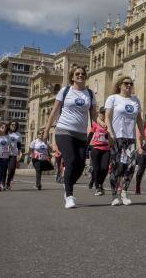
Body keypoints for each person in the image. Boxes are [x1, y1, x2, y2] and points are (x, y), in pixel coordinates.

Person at [44, 65, 97, 209]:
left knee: (80, 165)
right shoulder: (65, 91)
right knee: (71, 160)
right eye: (77, 74)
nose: (80, 75)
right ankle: (69, 195)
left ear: (86, 77)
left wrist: (102, 124)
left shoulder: (90, 94)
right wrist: (47, 129)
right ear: (72, 77)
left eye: (83, 74)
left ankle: (67, 185)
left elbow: (93, 115)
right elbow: (54, 111)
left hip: (81, 134)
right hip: (64, 131)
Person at [105, 75, 143, 206]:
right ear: (120, 85)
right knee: (116, 166)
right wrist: (110, 133)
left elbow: (139, 120)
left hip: (130, 138)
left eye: (131, 83)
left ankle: (124, 192)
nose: (128, 85)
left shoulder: (135, 100)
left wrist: (142, 136)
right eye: (126, 83)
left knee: (131, 166)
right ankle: (114, 195)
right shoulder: (113, 98)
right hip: (117, 137)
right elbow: (107, 117)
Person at [88, 107, 111, 196]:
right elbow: (90, 135)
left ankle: (100, 183)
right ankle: (98, 187)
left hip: (106, 148)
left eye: (105, 113)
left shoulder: (109, 123)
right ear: (99, 113)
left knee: (105, 168)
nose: (103, 115)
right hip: (96, 148)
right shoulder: (95, 124)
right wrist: (86, 147)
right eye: (102, 113)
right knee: (96, 168)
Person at [5, 121, 22, 190]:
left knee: (12, 169)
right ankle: (2, 183)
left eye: (15, 125)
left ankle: (8, 182)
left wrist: (20, 153)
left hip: (13, 154)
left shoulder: (18, 134)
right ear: (9, 125)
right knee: (3, 169)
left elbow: (19, 145)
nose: (14, 126)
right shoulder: (6, 133)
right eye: (12, 124)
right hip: (4, 154)